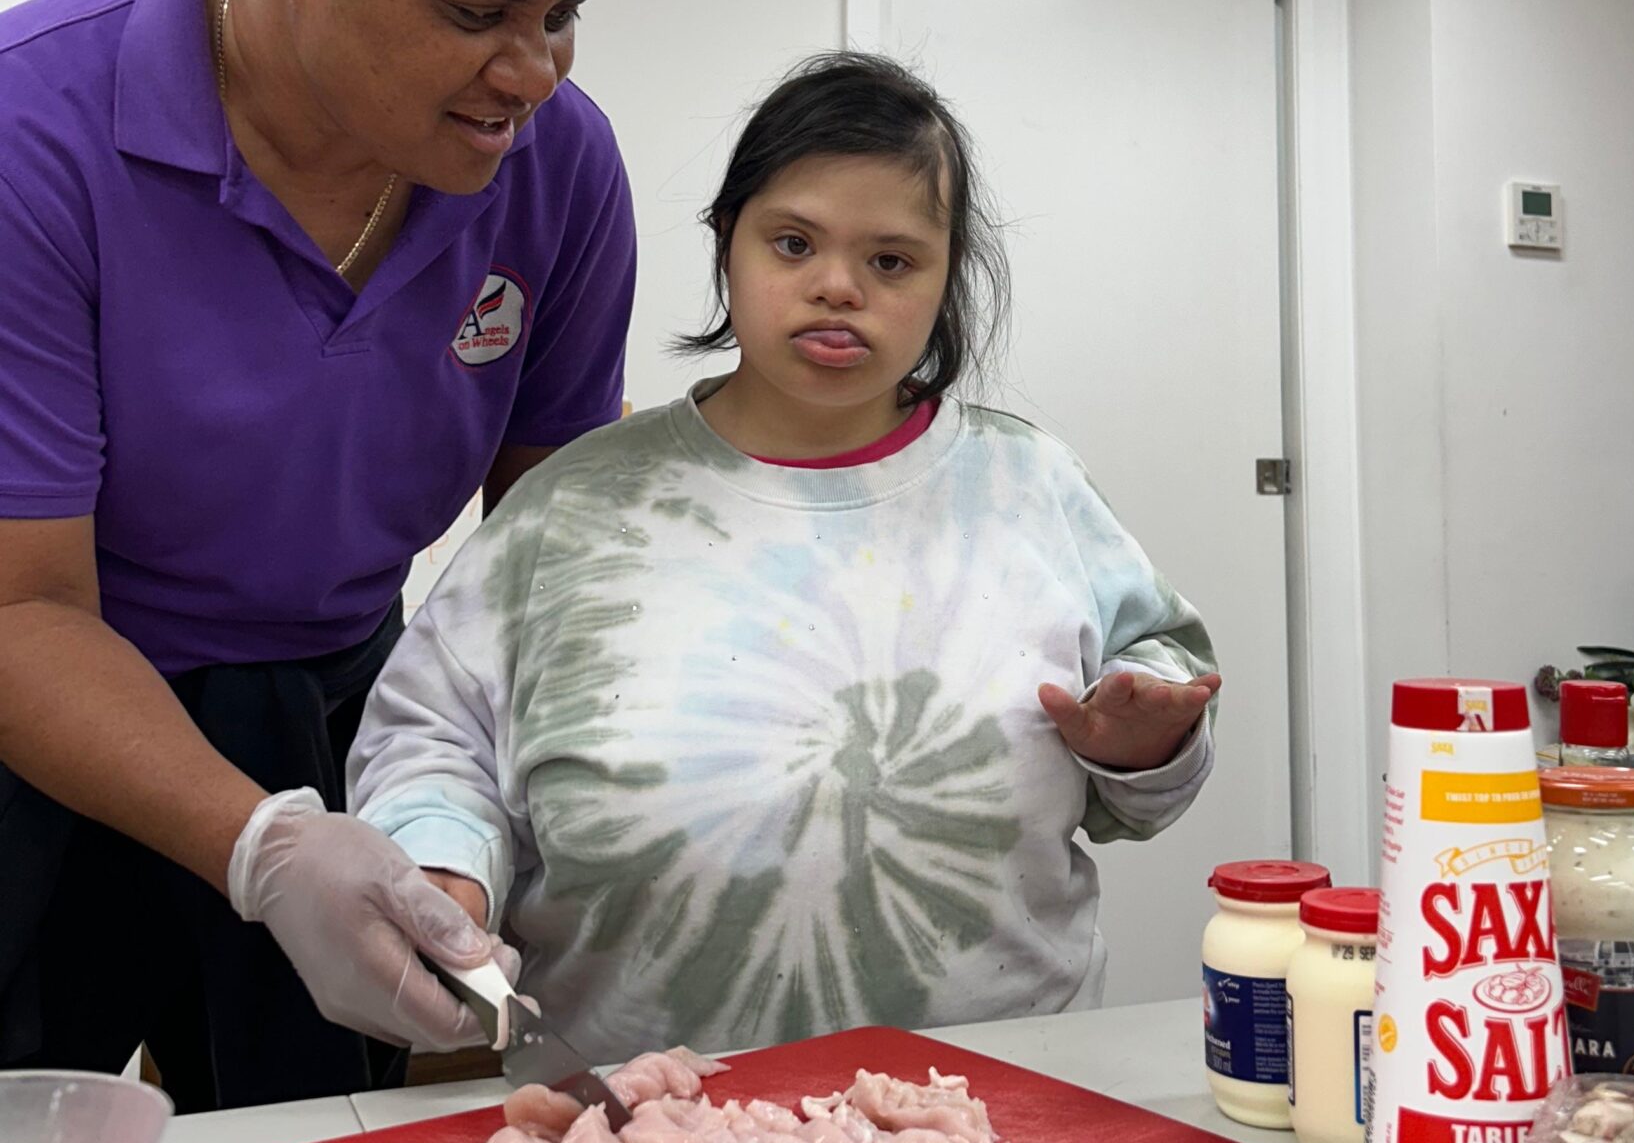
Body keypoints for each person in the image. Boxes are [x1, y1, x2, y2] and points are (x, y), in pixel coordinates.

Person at [0, 0, 654, 1107]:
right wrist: (260, 846)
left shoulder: (557, 167)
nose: (533, 70)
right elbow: (23, 606)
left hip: (331, 698)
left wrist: (527, 801)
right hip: (42, 702)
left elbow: (547, 549)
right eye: (481, 11)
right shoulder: (29, 133)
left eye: (563, 13)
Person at [349, 52, 1220, 1059]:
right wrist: (444, 865)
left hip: (1001, 1106)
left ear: (946, 279)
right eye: (794, 243)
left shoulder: (1032, 487)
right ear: (729, 246)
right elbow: (433, 735)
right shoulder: (576, 504)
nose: (837, 287)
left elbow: (1161, 697)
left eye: (892, 261)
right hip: (639, 1127)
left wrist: (1141, 738)